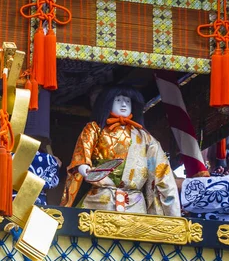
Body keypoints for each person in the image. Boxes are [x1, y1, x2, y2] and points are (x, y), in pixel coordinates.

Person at [60, 86, 180, 216]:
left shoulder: (144, 137)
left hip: (134, 202)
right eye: (118, 100)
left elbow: (161, 170)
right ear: (107, 103)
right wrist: (86, 170)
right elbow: (81, 156)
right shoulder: (94, 129)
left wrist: (171, 209)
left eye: (127, 101)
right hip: (101, 197)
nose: (123, 104)